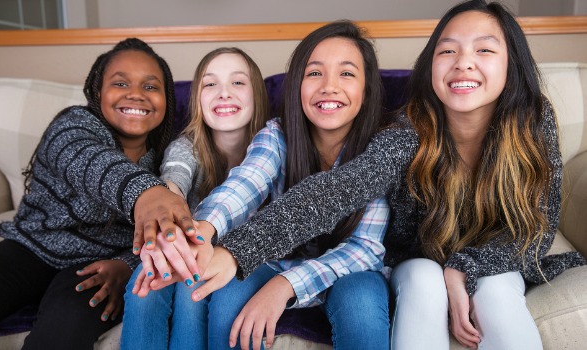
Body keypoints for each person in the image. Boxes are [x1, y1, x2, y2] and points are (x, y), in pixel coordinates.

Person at [135, 1, 586, 349]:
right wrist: (224, 242)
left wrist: (465, 268)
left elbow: (538, 226)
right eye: (448, 50)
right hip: (418, 259)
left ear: (512, 64)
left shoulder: (531, 120)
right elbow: (330, 190)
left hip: (483, 257)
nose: (464, 62)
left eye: (484, 50)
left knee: (499, 299)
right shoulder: (410, 130)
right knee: (425, 282)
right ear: (431, 65)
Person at [136, 20, 391, 350]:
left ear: (367, 89)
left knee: (363, 303)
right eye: (314, 73)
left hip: (351, 271)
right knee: (227, 294)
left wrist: (286, 285)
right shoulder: (276, 134)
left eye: (346, 73)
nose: (329, 86)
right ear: (296, 84)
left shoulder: (381, 149)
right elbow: (245, 183)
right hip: (273, 259)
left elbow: (365, 249)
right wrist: (203, 231)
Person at [0, 37, 185, 350]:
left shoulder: (170, 157)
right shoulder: (73, 125)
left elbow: (171, 230)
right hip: (34, 246)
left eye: (151, 87)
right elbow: (90, 162)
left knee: (62, 332)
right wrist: (146, 194)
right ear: (98, 92)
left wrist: (127, 264)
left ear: (168, 101)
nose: (136, 94)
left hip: (100, 266)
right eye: (120, 83)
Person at [120, 47, 269, 350]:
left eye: (238, 83)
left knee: (192, 289)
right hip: (193, 244)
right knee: (146, 282)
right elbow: (173, 180)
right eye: (210, 84)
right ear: (198, 99)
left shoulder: (272, 146)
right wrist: (169, 222)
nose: (223, 93)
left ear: (258, 95)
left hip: (254, 253)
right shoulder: (186, 147)